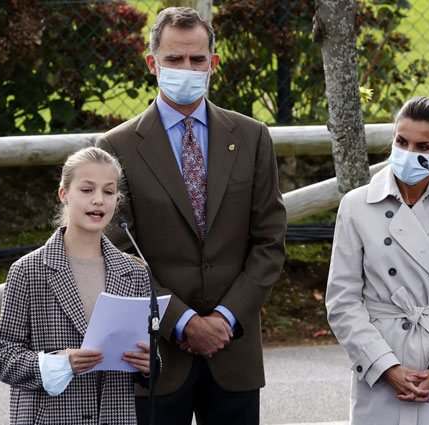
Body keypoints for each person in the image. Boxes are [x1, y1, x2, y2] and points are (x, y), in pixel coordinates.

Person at [96, 6, 286, 425]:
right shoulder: (117, 147)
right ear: (153, 63)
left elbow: (269, 242)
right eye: (174, 59)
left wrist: (226, 317)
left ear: (213, 63)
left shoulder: (252, 138)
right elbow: (116, 252)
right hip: (155, 356)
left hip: (233, 352)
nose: (187, 68)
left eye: (197, 60)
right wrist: (181, 321)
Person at [325, 96, 429, 424]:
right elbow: (342, 301)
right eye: (402, 141)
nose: (409, 153)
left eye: (423, 146)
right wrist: (385, 365)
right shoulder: (357, 206)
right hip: (380, 361)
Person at [0, 147, 151, 424]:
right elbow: (3, 357)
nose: (99, 200)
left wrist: (150, 365)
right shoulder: (27, 271)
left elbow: (147, 358)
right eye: (87, 190)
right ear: (64, 194)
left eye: (109, 192)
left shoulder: (134, 272)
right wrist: (58, 364)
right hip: (49, 417)